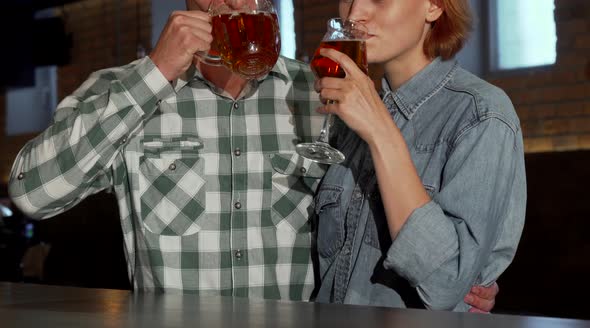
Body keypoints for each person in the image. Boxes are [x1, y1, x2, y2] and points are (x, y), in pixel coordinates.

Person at [8, 0, 498, 308]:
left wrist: (462, 283)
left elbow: (373, 224)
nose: (236, 3)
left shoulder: (324, 92)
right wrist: (156, 72)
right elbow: (32, 194)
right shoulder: (124, 91)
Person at [312, 0, 525, 311]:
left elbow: (446, 283)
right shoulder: (349, 120)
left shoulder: (482, 114)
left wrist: (382, 133)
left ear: (434, 7)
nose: (355, 14)